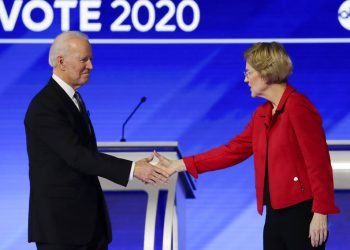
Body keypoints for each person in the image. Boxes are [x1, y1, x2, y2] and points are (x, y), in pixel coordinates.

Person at [154, 42, 340, 250]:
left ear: (266, 72)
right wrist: (180, 165)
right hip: (274, 214)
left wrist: (321, 212)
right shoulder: (261, 115)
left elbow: (319, 163)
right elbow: (231, 151)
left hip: (302, 212)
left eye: (249, 72)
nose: (245, 79)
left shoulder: (298, 107)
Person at [24, 31, 169, 250]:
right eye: (84, 59)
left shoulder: (72, 99)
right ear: (61, 61)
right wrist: (132, 169)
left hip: (88, 227)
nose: (90, 66)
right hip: (62, 230)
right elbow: (77, 156)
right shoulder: (46, 105)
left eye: (91, 59)